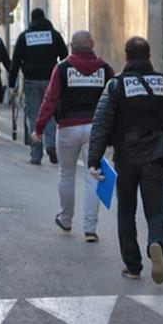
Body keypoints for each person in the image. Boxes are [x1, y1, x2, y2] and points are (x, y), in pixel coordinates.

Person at [87, 36, 163, 284]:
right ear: (149, 57)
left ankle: (132, 265)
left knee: (127, 211)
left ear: (125, 57)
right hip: (156, 158)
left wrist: (94, 159)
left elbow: (101, 123)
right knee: (156, 210)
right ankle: (156, 243)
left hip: (126, 157)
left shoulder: (116, 86)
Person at [32, 30, 114, 242]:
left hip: (67, 127)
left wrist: (39, 128)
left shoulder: (62, 68)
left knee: (67, 174)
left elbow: (50, 99)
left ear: (71, 46)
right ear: (92, 44)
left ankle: (66, 219)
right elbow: (114, 102)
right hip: (96, 129)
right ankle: (90, 228)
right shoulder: (105, 70)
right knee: (92, 176)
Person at [10, 8, 69, 165]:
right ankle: (51, 145)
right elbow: (65, 56)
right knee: (49, 113)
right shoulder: (54, 35)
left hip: (31, 80)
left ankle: (36, 155)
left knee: (34, 115)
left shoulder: (24, 36)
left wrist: (11, 84)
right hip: (51, 80)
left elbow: (15, 61)